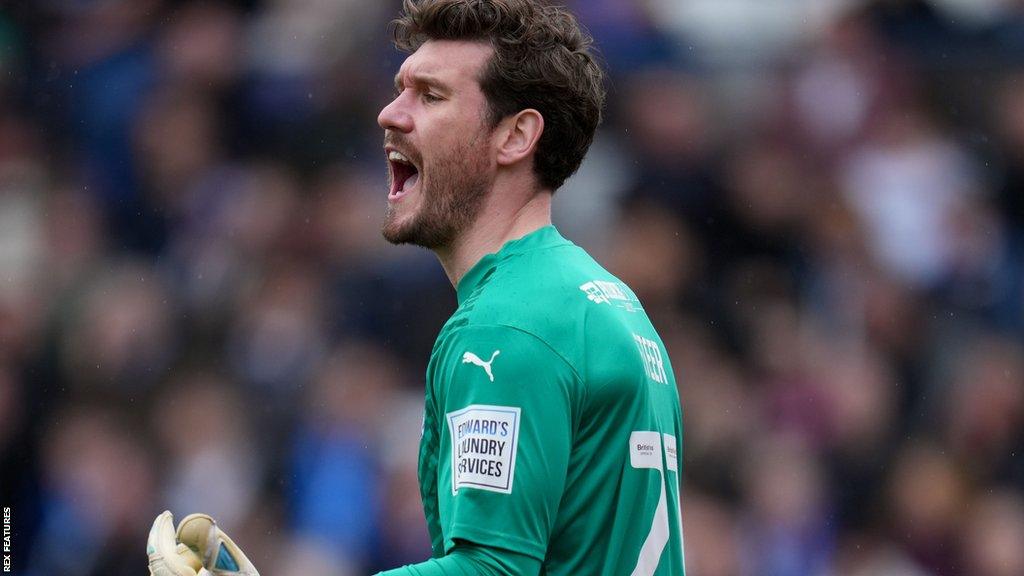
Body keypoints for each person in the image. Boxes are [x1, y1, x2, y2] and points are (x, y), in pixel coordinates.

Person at [146, 1, 686, 574]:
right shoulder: (608, 303)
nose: (389, 114)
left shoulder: (506, 326)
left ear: (516, 136)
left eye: (430, 96)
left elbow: (492, 570)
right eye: (400, 90)